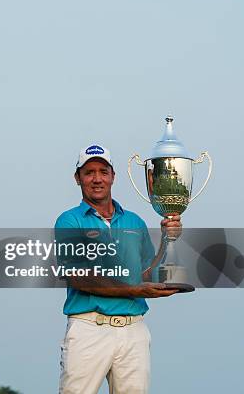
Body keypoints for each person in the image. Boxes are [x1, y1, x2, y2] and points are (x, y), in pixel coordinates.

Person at [54, 144, 182, 394]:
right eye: (89, 172)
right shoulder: (69, 220)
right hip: (89, 329)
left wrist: (169, 240)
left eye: (103, 171)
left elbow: (147, 274)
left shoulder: (134, 221)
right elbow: (79, 277)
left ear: (113, 176)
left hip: (134, 330)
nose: (97, 179)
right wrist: (134, 288)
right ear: (77, 178)